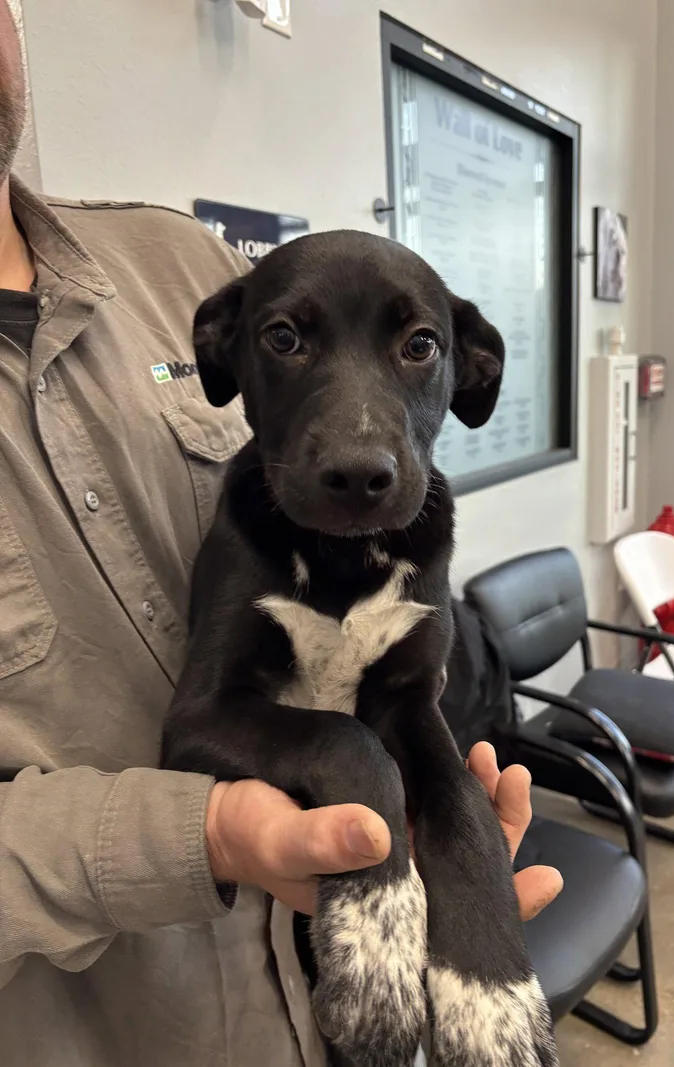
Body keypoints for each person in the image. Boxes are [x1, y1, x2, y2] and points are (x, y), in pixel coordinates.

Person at [0, 4, 562, 1065]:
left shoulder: (170, 263)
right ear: (239, 353)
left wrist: (467, 890)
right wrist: (217, 830)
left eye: (414, 346)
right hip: (125, 1024)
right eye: (290, 338)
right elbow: (215, 716)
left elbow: (410, 711)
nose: (358, 446)